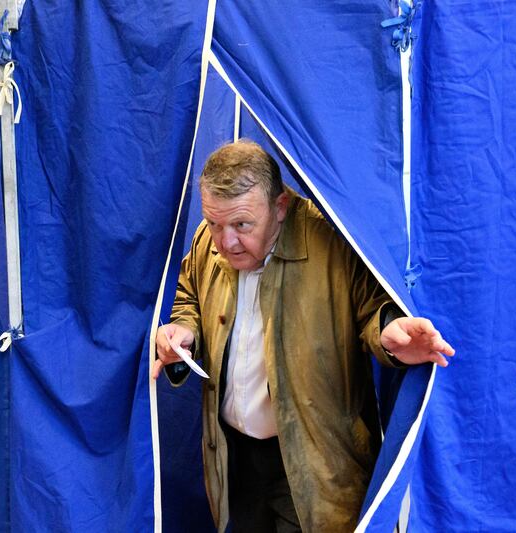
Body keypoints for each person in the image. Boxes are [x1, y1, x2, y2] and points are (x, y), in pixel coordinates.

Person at [152, 140, 454, 532]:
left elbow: (372, 309)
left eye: (242, 225)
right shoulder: (208, 240)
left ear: (280, 207)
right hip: (235, 458)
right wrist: (184, 331)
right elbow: (189, 295)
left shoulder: (331, 239)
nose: (225, 242)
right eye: (214, 223)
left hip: (314, 463)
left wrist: (389, 333)